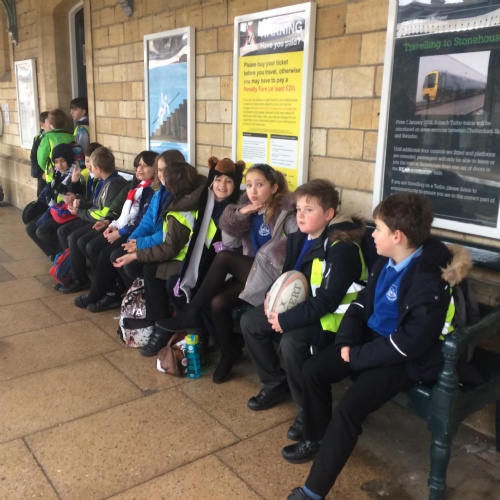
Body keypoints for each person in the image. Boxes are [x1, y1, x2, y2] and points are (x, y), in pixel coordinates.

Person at [283, 192, 472, 500]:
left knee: (349, 409)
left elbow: (409, 344)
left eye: (379, 229)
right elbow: (360, 304)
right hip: (370, 342)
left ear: (398, 236)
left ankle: (312, 492)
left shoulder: (429, 282)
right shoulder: (386, 260)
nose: (372, 235)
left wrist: (356, 356)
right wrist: (346, 341)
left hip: (403, 360)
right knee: (314, 370)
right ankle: (317, 438)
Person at [241, 179, 367, 442]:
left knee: (292, 342)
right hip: (301, 307)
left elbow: (328, 301)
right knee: (250, 322)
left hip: (334, 320)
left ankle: (305, 411)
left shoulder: (341, 247)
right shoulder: (298, 238)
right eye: (298, 209)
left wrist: (285, 320)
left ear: (329, 214)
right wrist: (271, 296)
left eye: (309, 210)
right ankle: (275, 383)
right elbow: (288, 276)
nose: (300, 215)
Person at [158, 163, 298, 384]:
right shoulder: (249, 210)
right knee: (217, 302)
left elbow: (295, 251)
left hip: (275, 278)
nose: (253, 191)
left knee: (224, 258)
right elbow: (230, 243)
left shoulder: (286, 215)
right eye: (249, 185)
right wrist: (240, 214)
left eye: (259, 185)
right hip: (253, 274)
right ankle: (229, 352)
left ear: (273, 187)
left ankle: (191, 312)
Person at [141, 156, 244, 357]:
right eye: (218, 180)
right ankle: (199, 333)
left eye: (229, 181)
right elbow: (197, 242)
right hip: (205, 263)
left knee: (201, 295)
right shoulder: (206, 203)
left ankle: (224, 344)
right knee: (176, 285)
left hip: (227, 269)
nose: (222, 185)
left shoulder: (237, 208)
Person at [113, 161, 207, 333]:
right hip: (184, 254)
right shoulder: (182, 199)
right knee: (144, 267)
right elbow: (148, 223)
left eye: (164, 173)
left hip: (190, 260)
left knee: (152, 270)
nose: (161, 176)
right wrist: (134, 241)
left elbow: (169, 246)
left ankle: (159, 323)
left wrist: (137, 253)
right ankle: (154, 315)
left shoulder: (181, 209)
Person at [73, 151, 157, 312]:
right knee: (90, 245)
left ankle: (109, 293)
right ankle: (106, 289)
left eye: (145, 166)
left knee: (109, 253)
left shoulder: (151, 189)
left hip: (137, 232)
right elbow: (122, 209)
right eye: (138, 165)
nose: (139, 169)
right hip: (125, 227)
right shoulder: (137, 185)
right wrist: (111, 223)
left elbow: (142, 219)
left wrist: (120, 232)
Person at [109, 149, 186, 289]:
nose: (162, 174)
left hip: (167, 246)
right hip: (154, 240)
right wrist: (133, 240)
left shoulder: (180, 196)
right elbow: (147, 220)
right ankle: (135, 293)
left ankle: (141, 293)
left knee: (135, 266)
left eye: (166, 170)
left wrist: (140, 243)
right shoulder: (159, 191)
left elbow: (167, 234)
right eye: (160, 170)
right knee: (118, 254)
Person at [56, 146, 128, 293]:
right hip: (93, 217)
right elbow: (95, 204)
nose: (89, 168)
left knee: (79, 240)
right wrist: (80, 204)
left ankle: (89, 281)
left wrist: (80, 212)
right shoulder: (102, 181)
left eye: (91, 165)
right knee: (66, 232)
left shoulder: (113, 184)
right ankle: (75, 274)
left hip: (106, 223)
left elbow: (104, 214)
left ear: (98, 169)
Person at [25, 143, 85, 258]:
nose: (59, 165)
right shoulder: (57, 174)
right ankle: (54, 255)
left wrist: (74, 182)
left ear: (68, 159)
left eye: (63, 161)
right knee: (30, 228)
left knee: (42, 231)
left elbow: (79, 193)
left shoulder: (77, 173)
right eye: (56, 162)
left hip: (68, 212)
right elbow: (51, 190)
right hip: (56, 209)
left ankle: (63, 257)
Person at [37, 109, 75, 185]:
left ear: (50, 124)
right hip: (71, 173)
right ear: (65, 122)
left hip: (53, 175)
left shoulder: (47, 138)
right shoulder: (72, 137)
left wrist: (47, 169)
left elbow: (41, 159)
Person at [30, 111, 50, 196]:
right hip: (43, 175)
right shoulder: (38, 138)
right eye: (50, 122)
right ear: (42, 124)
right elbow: (34, 157)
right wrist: (40, 173)